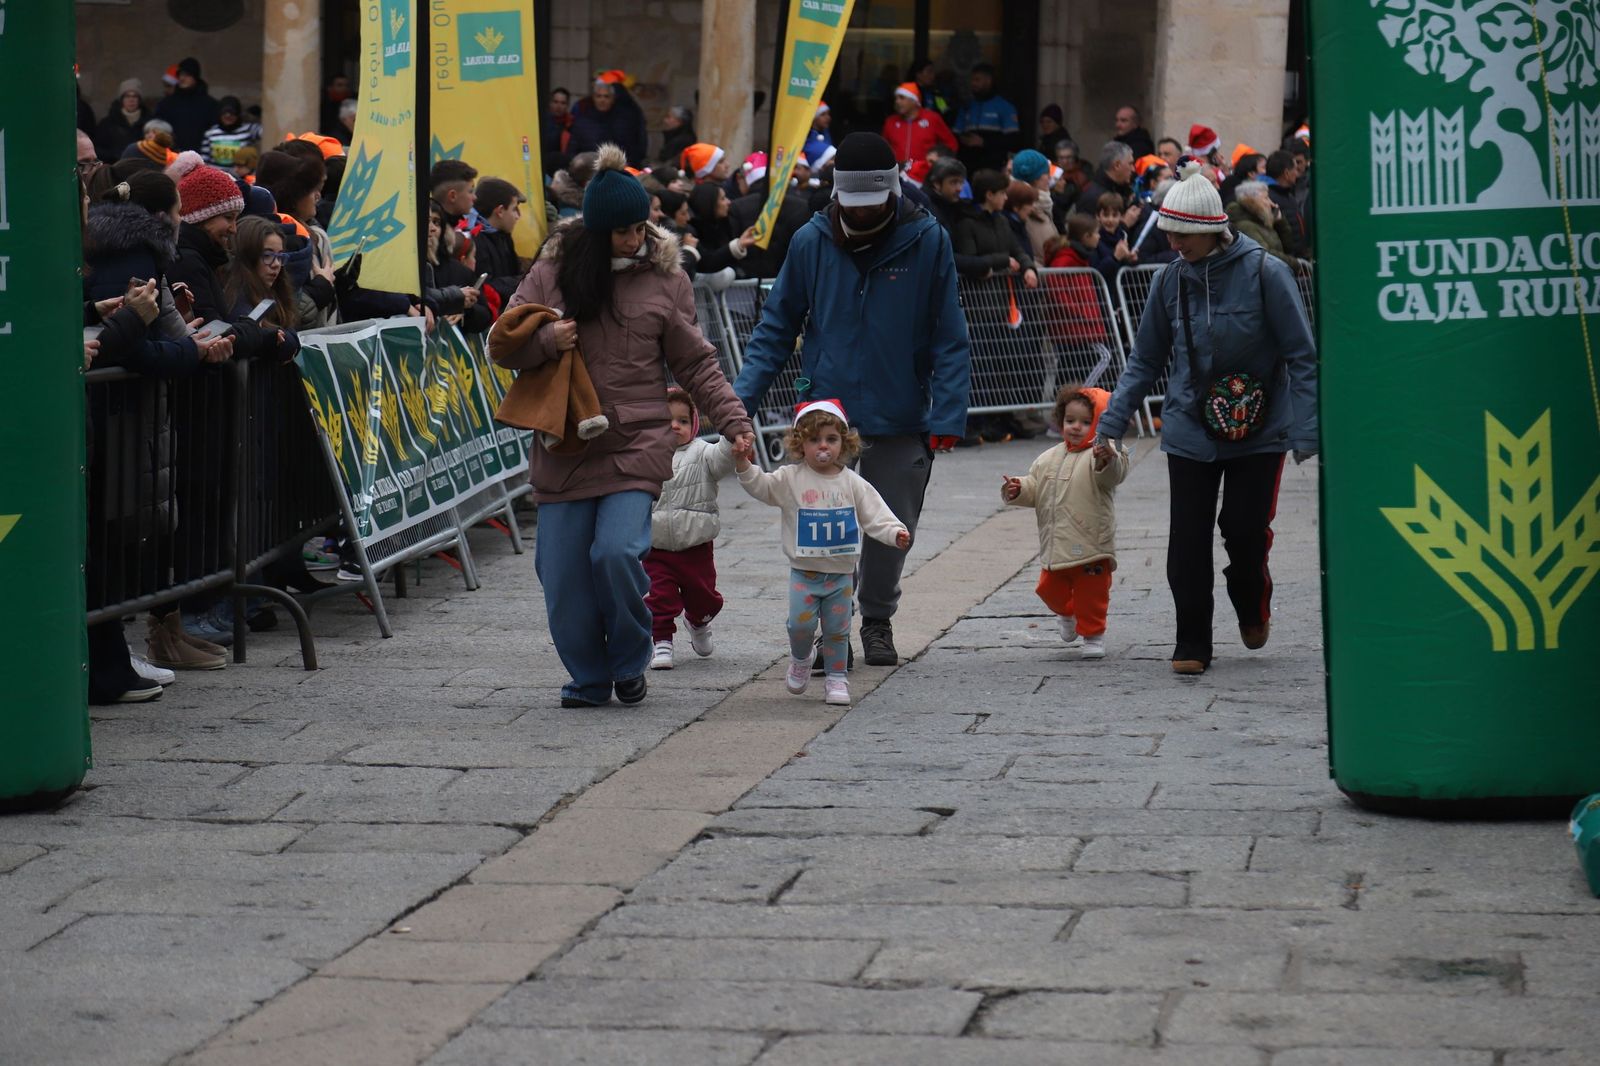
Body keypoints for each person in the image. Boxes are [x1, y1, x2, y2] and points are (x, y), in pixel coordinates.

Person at [495, 143, 753, 708]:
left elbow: (695, 362)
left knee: (615, 553)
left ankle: (631, 657)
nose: (635, 239)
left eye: (641, 227)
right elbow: (504, 343)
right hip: (564, 442)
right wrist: (547, 339)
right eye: (622, 231)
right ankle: (589, 678)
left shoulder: (665, 279)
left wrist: (733, 420)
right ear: (595, 230)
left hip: (636, 441)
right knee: (561, 575)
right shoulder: (550, 272)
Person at [732, 133, 970, 668]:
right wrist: (740, 402)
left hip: (900, 407)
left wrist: (949, 412)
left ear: (893, 191)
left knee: (892, 525)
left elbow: (950, 332)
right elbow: (776, 328)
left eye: (872, 204)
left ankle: (878, 620)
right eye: (851, 204)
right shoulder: (810, 241)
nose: (860, 214)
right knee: (825, 531)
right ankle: (830, 631)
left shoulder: (928, 239)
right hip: (826, 412)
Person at [1092, 163, 1318, 676]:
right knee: (1187, 540)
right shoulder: (1169, 281)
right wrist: (1110, 425)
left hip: (1261, 428)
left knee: (1244, 529)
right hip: (1189, 426)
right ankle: (1192, 640)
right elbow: (1144, 360)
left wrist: (1306, 430)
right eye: (1169, 233)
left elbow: (1301, 356)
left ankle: (1252, 598)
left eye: (1183, 234)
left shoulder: (1267, 273)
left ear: (1212, 229)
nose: (1173, 243)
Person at [734, 399, 910, 706]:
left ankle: (836, 677)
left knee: (837, 630)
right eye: (815, 439)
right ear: (800, 443)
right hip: (804, 573)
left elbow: (875, 513)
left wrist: (894, 532)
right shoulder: (790, 478)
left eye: (831, 438)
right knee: (799, 626)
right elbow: (762, 486)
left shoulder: (852, 483)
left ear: (844, 442)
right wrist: (743, 465)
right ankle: (801, 657)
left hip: (840, 575)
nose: (823, 446)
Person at [1002, 386, 1128, 659]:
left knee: (1092, 595)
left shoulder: (1106, 453)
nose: (1076, 427)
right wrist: (1019, 488)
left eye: (1086, 422)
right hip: (1056, 544)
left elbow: (1112, 476)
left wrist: (1107, 458)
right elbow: (1036, 486)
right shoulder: (1047, 458)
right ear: (1060, 420)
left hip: (1092, 544)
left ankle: (1093, 635)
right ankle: (1067, 613)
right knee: (1048, 589)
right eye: (1070, 420)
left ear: (1100, 423)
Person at [646, 387, 737, 670]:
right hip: (656, 546)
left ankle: (698, 621)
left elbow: (723, 459)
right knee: (658, 597)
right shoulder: (646, 455)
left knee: (704, 596)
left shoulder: (702, 452)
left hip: (696, 545)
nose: (675, 426)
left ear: (694, 424)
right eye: (667, 421)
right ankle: (661, 640)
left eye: (683, 421)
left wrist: (730, 435)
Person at [464, 177, 528, 303]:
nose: (518, 216)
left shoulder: (503, 236)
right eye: (514, 209)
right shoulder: (475, 241)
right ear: (500, 211)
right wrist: (524, 281)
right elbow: (486, 286)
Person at [1227, 180, 1307, 275]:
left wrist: (1280, 222)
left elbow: (1288, 247)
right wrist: (1295, 264)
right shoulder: (1245, 226)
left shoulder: (1261, 220)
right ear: (1252, 201)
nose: (1271, 203)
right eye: (1266, 198)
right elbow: (1266, 255)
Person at [883, 82, 957, 185]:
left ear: (914, 100)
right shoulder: (890, 122)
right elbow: (883, 149)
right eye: (896, 98)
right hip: (896, 177)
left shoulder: (932, 119)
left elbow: (951, 145)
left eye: (902, 98)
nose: (897, 101)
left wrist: (938, 167)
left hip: (926, 178)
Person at [953, 63, 1020, 172]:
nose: (973, 83)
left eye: (977, 80)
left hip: (993, 165)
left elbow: (1012, 140)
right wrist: (962, 139)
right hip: (968, 165)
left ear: (988, 81)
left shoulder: (1004, 107)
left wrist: (984, 142)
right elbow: (955, 134)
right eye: (972, 80)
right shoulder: (967, 106)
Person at [566, 76, 648, 165]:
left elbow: (633, 149)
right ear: (593, 98)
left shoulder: (624, 122)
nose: (602, 100)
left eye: (606, 96)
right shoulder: (582, 122)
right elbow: (572, 150)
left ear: (612, 99)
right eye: (599, 96)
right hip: (589, 168)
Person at [155, 57, 220, 153]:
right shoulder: (166, 104)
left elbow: (215, 132)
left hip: (202, 155)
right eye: (180, 75)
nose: (182, 78)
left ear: (195, 77)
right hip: (172, 155)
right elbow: (158, 128)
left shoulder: (210, 105)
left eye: (187, 75)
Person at [1262, 150, 1309, 257]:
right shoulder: (1269, 199)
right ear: (1287, 173)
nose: (1297, 174)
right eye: (1295, 169)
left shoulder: (1288, 196)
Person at [94, 79, 151, 163]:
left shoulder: (149, 123)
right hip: (115, 166)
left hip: (142, 167)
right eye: (127, 96)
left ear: (139, 99)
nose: (131, 100)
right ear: (121, 99)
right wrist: (114, 155)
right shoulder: (108, 123)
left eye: (135, 96)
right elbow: (98, 149)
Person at [1075, 141, 1136, 215]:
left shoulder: (1124, 189)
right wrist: (1124, 221)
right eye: (1130, 164)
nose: (1133, 169)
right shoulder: (1092, 198)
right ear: (1117, 165)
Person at [201, 96, 262, 170]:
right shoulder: (211, 133)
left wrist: (258, 116)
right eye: (224, 112)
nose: (228, 115)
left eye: (232, 112)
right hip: (216, 174)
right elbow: (204, 159)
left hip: (240, 175)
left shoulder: (249, 129)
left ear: (238, 113)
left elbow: (268, 133)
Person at [430, 158, 479, 227]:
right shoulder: (433, 231)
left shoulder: (462, 226)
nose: (475, 197)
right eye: (470, 191)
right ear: (452, 196)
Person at [319, 74, 354, 139]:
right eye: (340, 85)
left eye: (346, 85)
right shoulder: (323, 109)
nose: (344, 88)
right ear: (330, 88)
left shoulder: (352, 106)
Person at [803, 102, 834, 168]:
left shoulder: (826, 133)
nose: (828, 117)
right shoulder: (806, 138)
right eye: (823, 114)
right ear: (814, 117)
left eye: (828, 114)